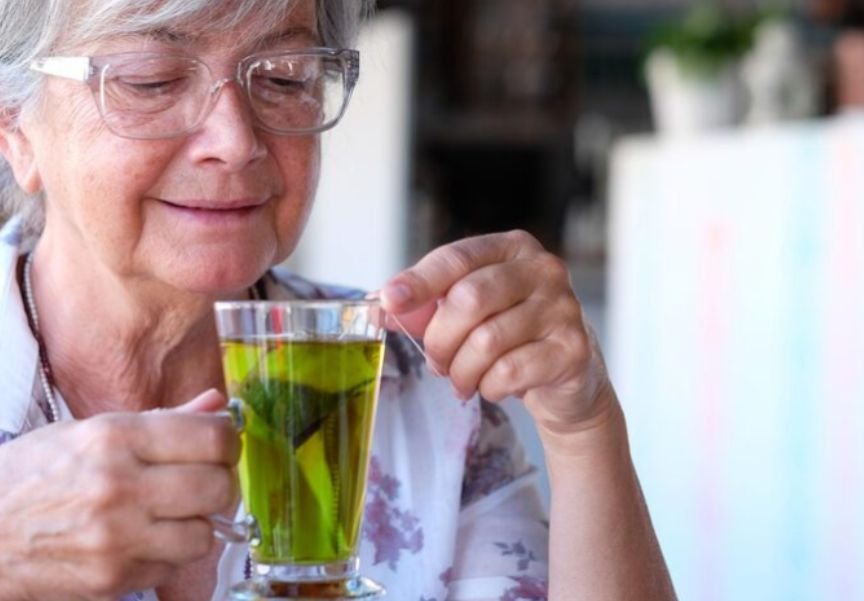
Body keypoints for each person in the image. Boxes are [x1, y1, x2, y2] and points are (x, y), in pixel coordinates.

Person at [0, 1, 677, 600]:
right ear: (17, 131)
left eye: (285, 75)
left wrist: (582, 426)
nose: (236, 141)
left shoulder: (421, 383)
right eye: (151, 79)